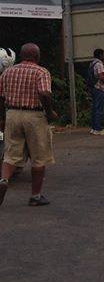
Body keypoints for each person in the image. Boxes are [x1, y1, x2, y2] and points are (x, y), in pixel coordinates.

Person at [0, 43, 59, 207]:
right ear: (37, 56)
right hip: (34, 116)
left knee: (10, 154)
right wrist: (50, 112)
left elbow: (1, 97)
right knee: (39, 157)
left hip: (12, 114)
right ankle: (35, 196)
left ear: (21, 55)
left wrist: (2, 118)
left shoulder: (7, 72)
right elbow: (44, 92)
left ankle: (3, 179)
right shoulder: (41, 72)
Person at [87, 48, 104, 135]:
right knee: (99, 108)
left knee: (95, 108)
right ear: (100, 55)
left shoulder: (92, 63)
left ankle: (93, 127)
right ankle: (98, 128)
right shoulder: (99, 64)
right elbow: (101, 77)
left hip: (94, 88)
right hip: (100, 88)